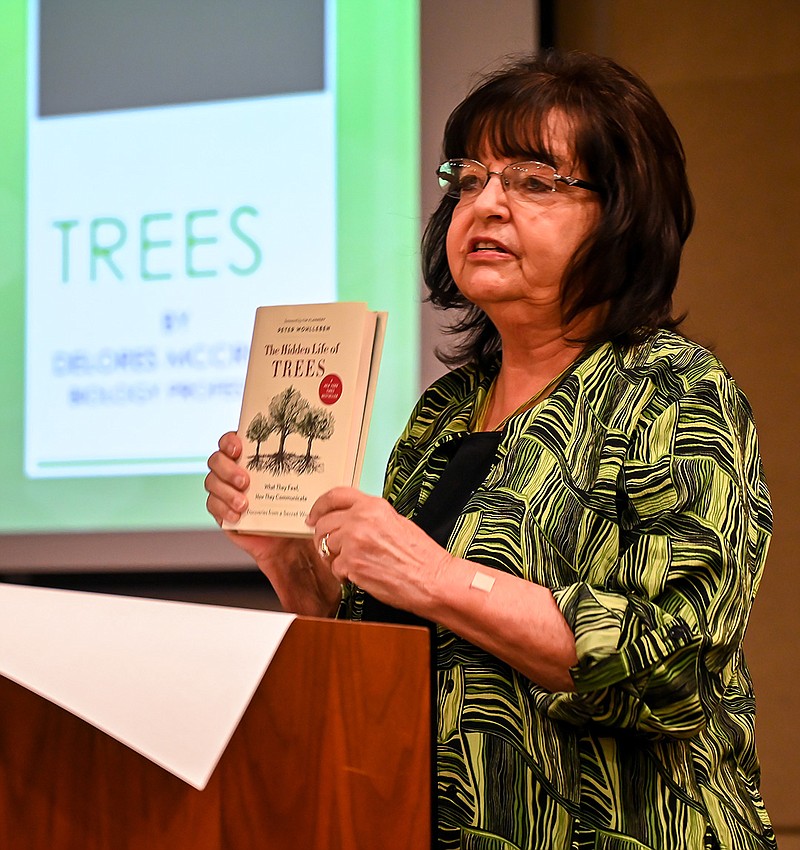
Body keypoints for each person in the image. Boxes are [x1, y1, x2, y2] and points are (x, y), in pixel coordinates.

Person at [205, 49, 776, 850]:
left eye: (535, 181)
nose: (487, 204)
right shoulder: (444, 413)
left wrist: (439, 578)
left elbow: (671, 664)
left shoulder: (674, 390)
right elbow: (387, 667)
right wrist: (290, 560)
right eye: (469, 179)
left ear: (622, 214)